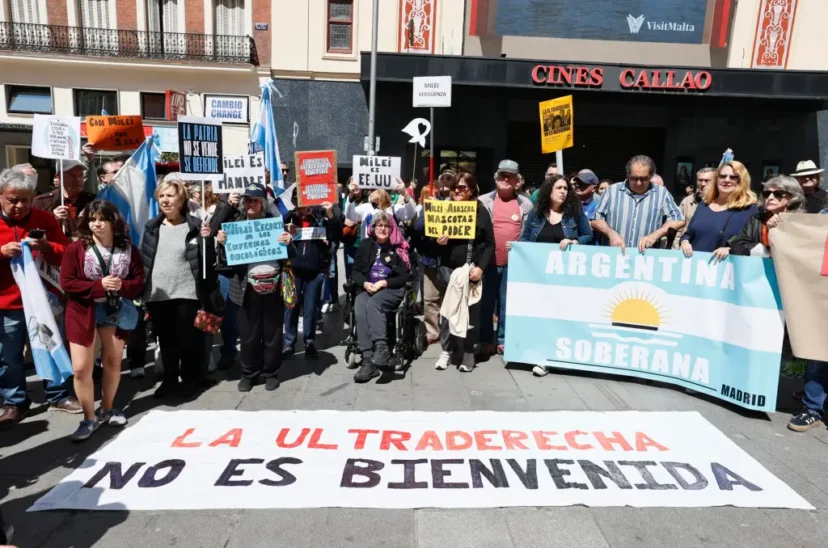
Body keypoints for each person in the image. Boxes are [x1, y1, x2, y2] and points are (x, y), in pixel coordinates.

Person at [0, 168, 79, 429]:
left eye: (26, 200)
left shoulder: (44, 219)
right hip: (7, 303)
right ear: (1, 196)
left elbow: (66, 253)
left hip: (44, 302)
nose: (20, 206)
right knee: (9, 356)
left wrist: (45, 246)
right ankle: (14, 402)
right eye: (13, 200)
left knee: (51, 344)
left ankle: (59, 394)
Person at [60, 201, 144, 441]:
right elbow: (68, 283)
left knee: (113, 362)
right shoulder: (76, 249)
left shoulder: (128, 249)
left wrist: (123, 285)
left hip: (115, 310)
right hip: (82, 311)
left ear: (112, 222)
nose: (96, 224)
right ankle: (88, 418)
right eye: (92, 219)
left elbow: (139, 280)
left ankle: (107, 408)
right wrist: (99, 285)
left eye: (102, 219)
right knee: (80, 368)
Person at [141, 180, 220, 399]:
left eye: (170, 196)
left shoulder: (195, 226)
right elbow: (145, 258)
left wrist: (208, 240)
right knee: (165, 341)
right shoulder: (151, 227)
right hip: (158, 294)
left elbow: (207, 263)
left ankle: (189, 380)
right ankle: (169, 380)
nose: (165, 200)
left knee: (188, 340)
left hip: (187, 292)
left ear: (181, 200)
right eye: (162, 196)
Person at [217, 184, 293, 392]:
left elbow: (289, 256)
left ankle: (271, 372)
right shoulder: (235, 225)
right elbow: (225, 263)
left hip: (273, 286)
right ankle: (248, 373)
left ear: (263, 203)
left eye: (255, 200)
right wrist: (222, 245)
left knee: (272, 333)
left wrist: (289, 242)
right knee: (248, 334)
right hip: (245, 289)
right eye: (247, 200)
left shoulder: (275, 225)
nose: (251, 204)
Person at [519, 175, 592, 376]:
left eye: (566, 188)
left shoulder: (574, 213)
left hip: (566, 279)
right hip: (539, 278)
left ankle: (560, 357)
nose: (563, 191)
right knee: (542, 318)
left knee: (562, 317)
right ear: (549, 190)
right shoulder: (538, 213)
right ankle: (543, 357)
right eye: (559, 187)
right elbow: (525, 238)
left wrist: (575, 242)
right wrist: (517, 248)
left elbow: (588, 235)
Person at [433, 173, 494, 372]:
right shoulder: (443, 209)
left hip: (471, 271)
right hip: (449, 270)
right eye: (455, 188)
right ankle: (447, 351)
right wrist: (439, 243)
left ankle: (468, 352)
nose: (458, 191)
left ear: (472, 190)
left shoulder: (480, 211)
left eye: (463, 188)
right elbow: (427, 241)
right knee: (447, 312)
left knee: (472, 313)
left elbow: (489, 244)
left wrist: (480, 268)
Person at [478, 160, 533, 357]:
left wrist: (521, 248)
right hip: (488, 264)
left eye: (510, 176)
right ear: (495, 178)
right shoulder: (483, 201)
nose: (506, 179)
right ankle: (485, 340)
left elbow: (528, 235)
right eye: (502, 175)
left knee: (506, 303)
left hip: (513, 264)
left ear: (517, 180)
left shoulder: (526, 204)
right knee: (485, 303)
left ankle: (502, 340)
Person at [351, 212, 411, 383]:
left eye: (386, 226)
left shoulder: (397, 247)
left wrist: (385, 282)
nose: (383, 229)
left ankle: (381, 347)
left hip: (391, 289)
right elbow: (355, 271)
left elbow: (404, 276)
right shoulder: (365, 245)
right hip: (368, 287)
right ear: (373, 228)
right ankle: (368, 359)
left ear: (391, 229)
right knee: (360, 306)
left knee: (374, 303)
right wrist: (364, 284)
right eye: (380, 225)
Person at [282, 195, 342, 359]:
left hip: (315, 271)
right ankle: (289, 343)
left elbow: (336, 233)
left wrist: (330, 214)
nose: (300, 203)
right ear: (293, 201)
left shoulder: (320, 216)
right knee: (291, 307)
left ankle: (309, 341)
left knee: (310, 309)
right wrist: (285, 229)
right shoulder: (287, 217)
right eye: (296, 199)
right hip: (292, 271)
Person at [591, 155, 685, 252]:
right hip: (615, 255)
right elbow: (596, 220)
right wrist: (611, 233)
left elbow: (678, 220)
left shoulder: (662, 193)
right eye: (634, 178)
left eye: (643, 179)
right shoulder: (612, 191)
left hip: (645, 257)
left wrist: (655, 235)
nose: (639, 183)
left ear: (651, 176)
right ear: (628, 175)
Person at [679, 161, 758, 260]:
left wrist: (731, 249)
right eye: (722, 176)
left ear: (742, 181)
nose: (726, 180)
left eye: (733, 177)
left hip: (726, 269)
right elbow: (688, 234)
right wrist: (684, 242)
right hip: (695, 266)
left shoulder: (749, 210)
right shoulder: (704, 205)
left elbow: (754, 245)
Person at [413, 171, 456, 344]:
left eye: (450, 182)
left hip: (450, 259)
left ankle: (450, 331)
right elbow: (418, 227)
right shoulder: (431, 203)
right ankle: (432, 331)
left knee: (450, 297)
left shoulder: (460, 204)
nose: (445, 186)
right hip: (430, 257)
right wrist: (428, 211)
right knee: (430, 297)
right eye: (442, 182)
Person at [208, 192, 244, 370]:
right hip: (226, 268)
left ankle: (252, 351)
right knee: (227, 314)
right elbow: (211, 229)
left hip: (248, 267)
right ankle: (228, 352)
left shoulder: (255, 200)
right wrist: (229, 205)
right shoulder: (222, 203)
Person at [729, 176, 805, 257]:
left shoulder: (800, 222)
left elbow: (798, 251)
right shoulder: (756, 219)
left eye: (778, 194)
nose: (770, 197)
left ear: (792, 198)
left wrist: (775, 231)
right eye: (767, 193)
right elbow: (737, 244)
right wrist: (764, 251)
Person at [32, 160, 97, 238]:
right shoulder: (42, 202)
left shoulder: (93, 201)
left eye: (80, 175)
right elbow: (33, 232)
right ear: (59, 176)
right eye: (72, 175)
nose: (78, 179)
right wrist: (52, 219)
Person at [345, 181, 416, 239]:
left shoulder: (393, 209)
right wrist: (351, 197)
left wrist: (405, 193)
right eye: (369, 190)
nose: (370, 192)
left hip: (388, 252)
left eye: (372, 190)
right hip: (369, 252)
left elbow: (411, 214)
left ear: (381, 191)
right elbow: (350, 217)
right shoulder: (365, 207)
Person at [674, 168, 714, 248]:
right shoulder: (687, 201)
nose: (702, 184)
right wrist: (675, 249)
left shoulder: (720, 203)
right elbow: (678, 228)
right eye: (700, 180)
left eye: (707, 181)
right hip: (685, 249)